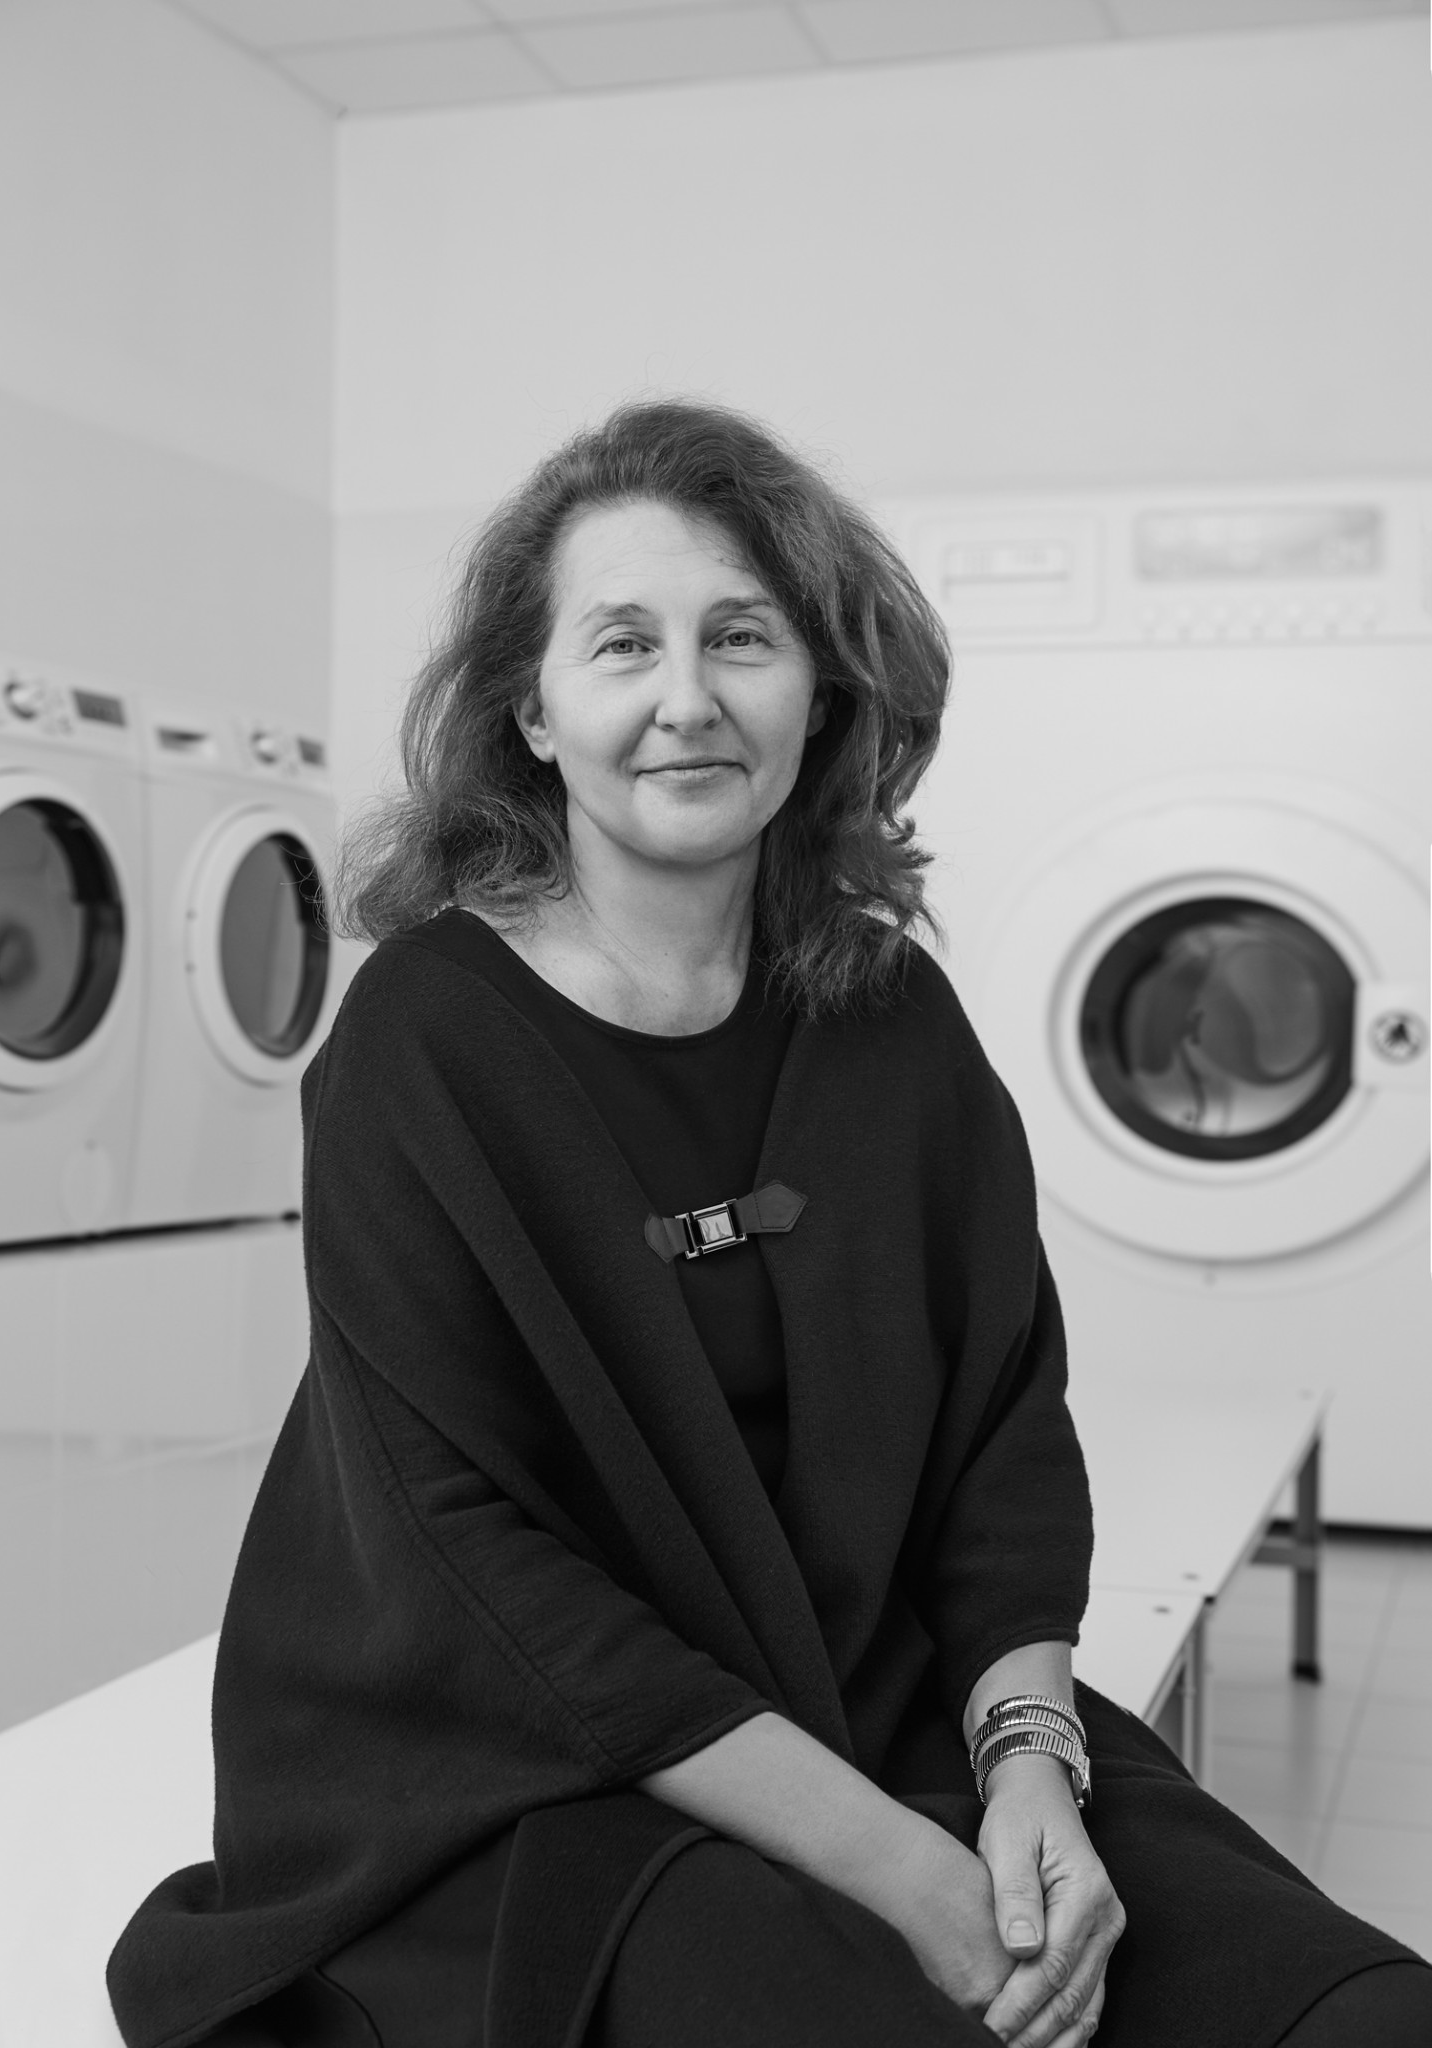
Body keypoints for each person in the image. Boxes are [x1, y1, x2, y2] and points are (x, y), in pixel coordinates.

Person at [109, 400, 1432, 2048]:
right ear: (532, 709)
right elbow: (470, 1554)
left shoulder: (890, 1018)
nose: (687, 698)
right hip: (522, 1773)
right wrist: (899, 1870)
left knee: (1360, 2012)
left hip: (883, 1700)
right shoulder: (422, 1042)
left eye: (741, 636)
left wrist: (1030, 1760)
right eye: (621, 644)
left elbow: (1002, 1435)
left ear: (822, 690)